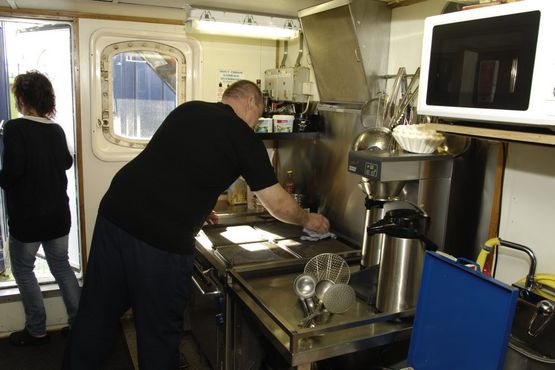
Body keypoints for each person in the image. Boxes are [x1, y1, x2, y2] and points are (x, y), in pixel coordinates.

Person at [63, 80, 329, 370]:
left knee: (96, 315)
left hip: (116, 212)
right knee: (159, 334)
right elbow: (277, 203)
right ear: (251, 102)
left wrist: (199, 209)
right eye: (258, 116)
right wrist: (308, 219)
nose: (255, 124)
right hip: (160, 239)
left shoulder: (189, 110)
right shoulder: (242, 136)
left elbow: (176, 166)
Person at [0, 71, 80, 346]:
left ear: (21, 99)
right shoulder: (55, 129)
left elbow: (13, 172)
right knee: (62, 268)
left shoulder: (14, 128)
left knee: (23, 270)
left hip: (28, 218)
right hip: (58, 215)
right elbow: (66, 163)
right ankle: (78, 325)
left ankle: (37, 329)